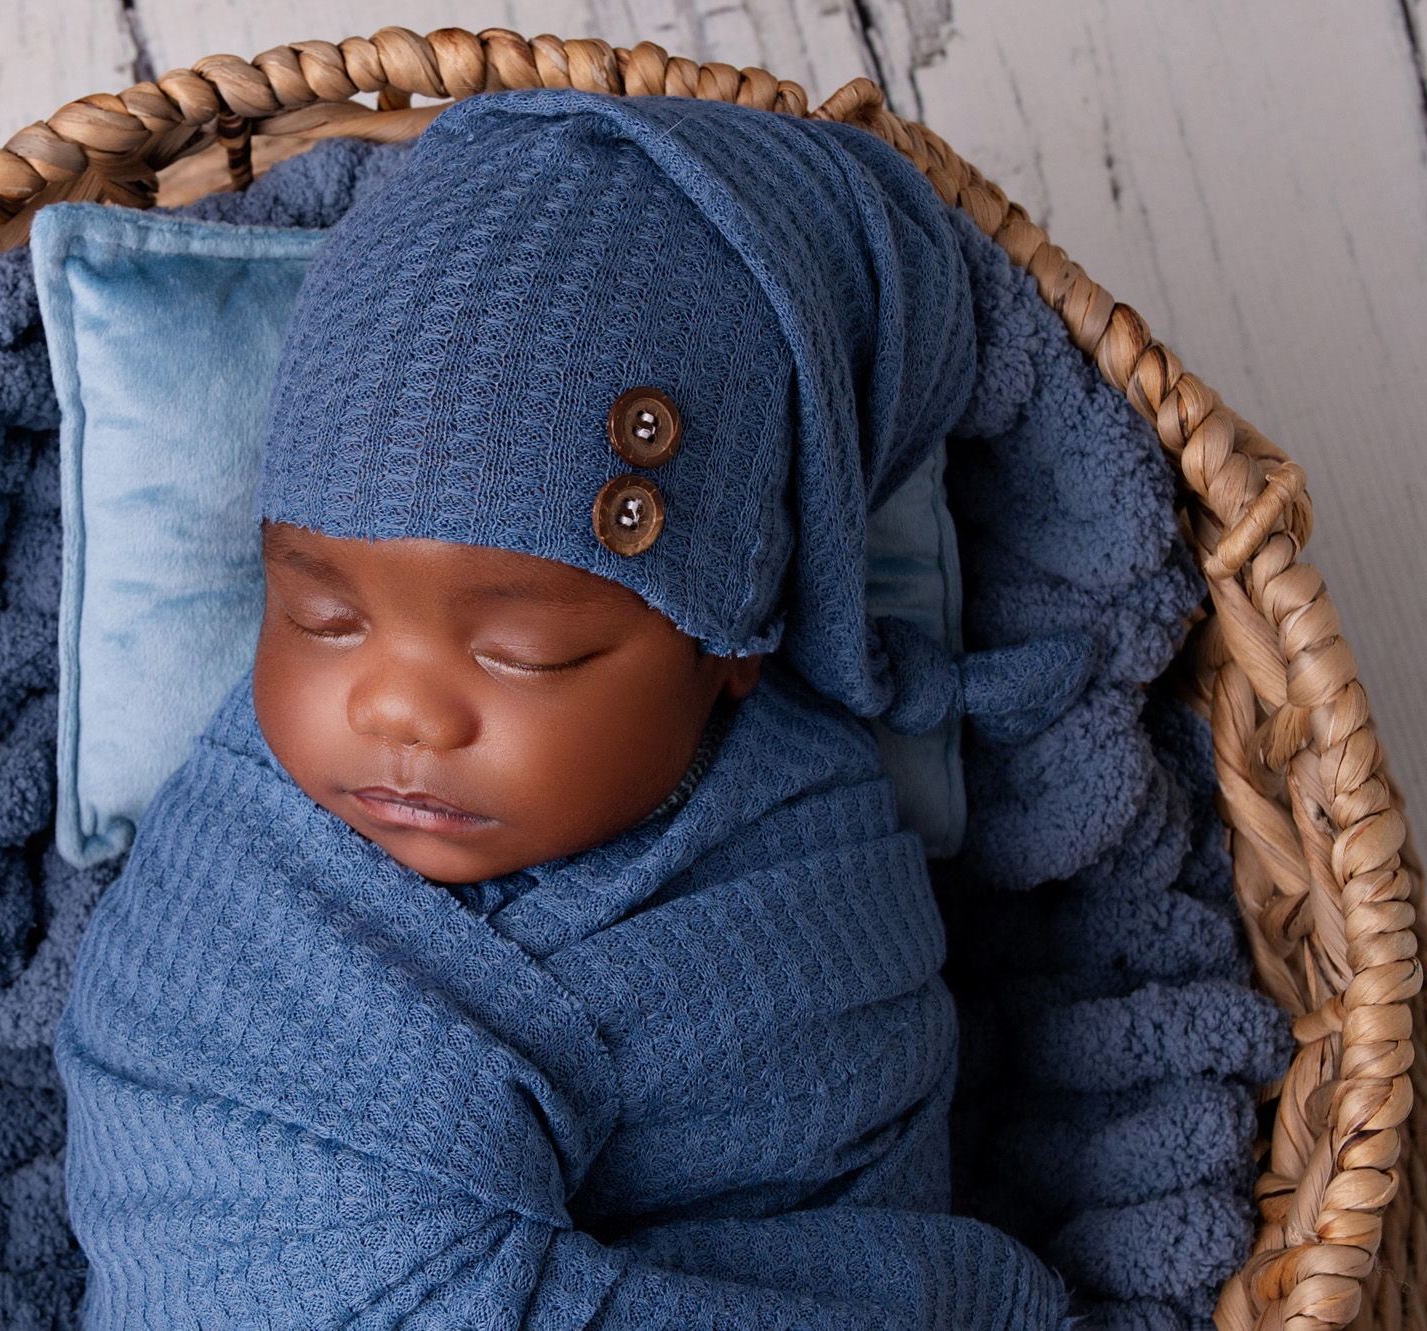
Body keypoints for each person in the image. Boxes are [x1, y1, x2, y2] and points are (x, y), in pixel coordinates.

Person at [54, 88, 1082, 1328]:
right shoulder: (238, 877)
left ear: (730, 642)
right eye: (321, 615)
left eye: (527, 651)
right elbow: (203, 1198)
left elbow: (861, 1176)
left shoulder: (809, 843)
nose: (395, 707)